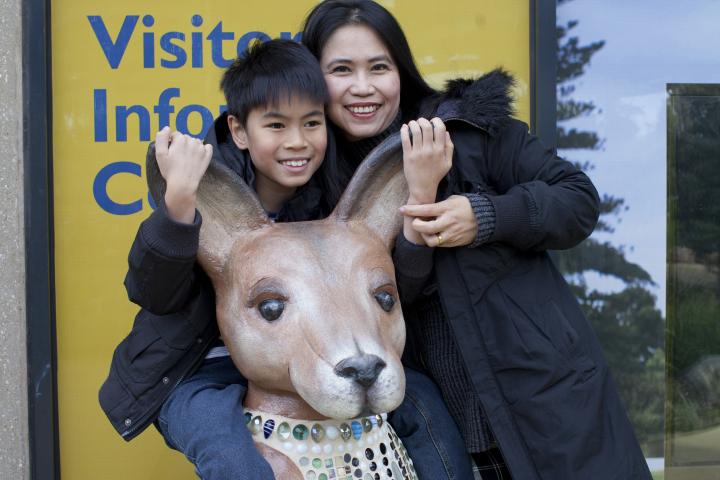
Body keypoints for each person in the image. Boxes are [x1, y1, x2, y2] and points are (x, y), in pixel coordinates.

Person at [300, 1, 653, 479]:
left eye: (378, 67)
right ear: (313, 80)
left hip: (548, 412)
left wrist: (486, 215)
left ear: (400, 71)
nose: (363, 87)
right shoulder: (315, 188)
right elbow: (393, 294)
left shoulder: (470, 131)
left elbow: (578, 200)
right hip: (437, 436)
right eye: (341, 70)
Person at [99, 38, 472, 480]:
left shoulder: (326, 204)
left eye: (311, 124)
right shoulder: (206, 192)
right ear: (240, 130)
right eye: (276, 126)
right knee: (236, 460)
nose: (297, 142)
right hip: (197, 370)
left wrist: (421, 198)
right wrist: (179, 209)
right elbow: (151, 292)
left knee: (426, 411)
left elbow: (393, 286)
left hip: (308, 363)